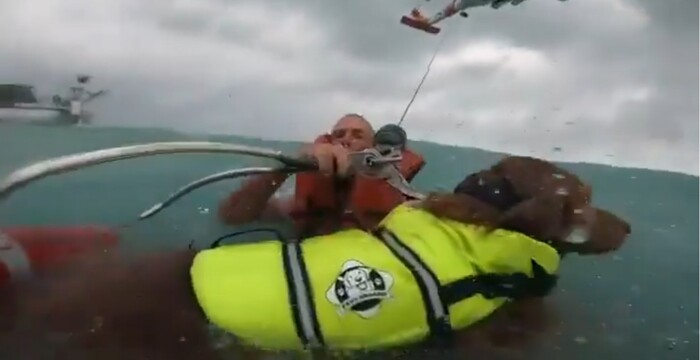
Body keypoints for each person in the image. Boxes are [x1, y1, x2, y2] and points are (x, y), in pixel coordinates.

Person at [1, 155, 631, 359]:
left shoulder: (402, 209)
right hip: (230, 307)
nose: (352, 147)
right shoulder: (317, 197)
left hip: (204, 282)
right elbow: (235, 218)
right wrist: (284, 166)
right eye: (343, 136)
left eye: (364, 139)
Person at [217, 113, 426, 237]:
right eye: (339, 135)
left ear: (374, 148)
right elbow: (231, 216)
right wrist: (288, 167)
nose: (346, 140)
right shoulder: (298, 203)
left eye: (357, 135)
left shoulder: (399, 200)